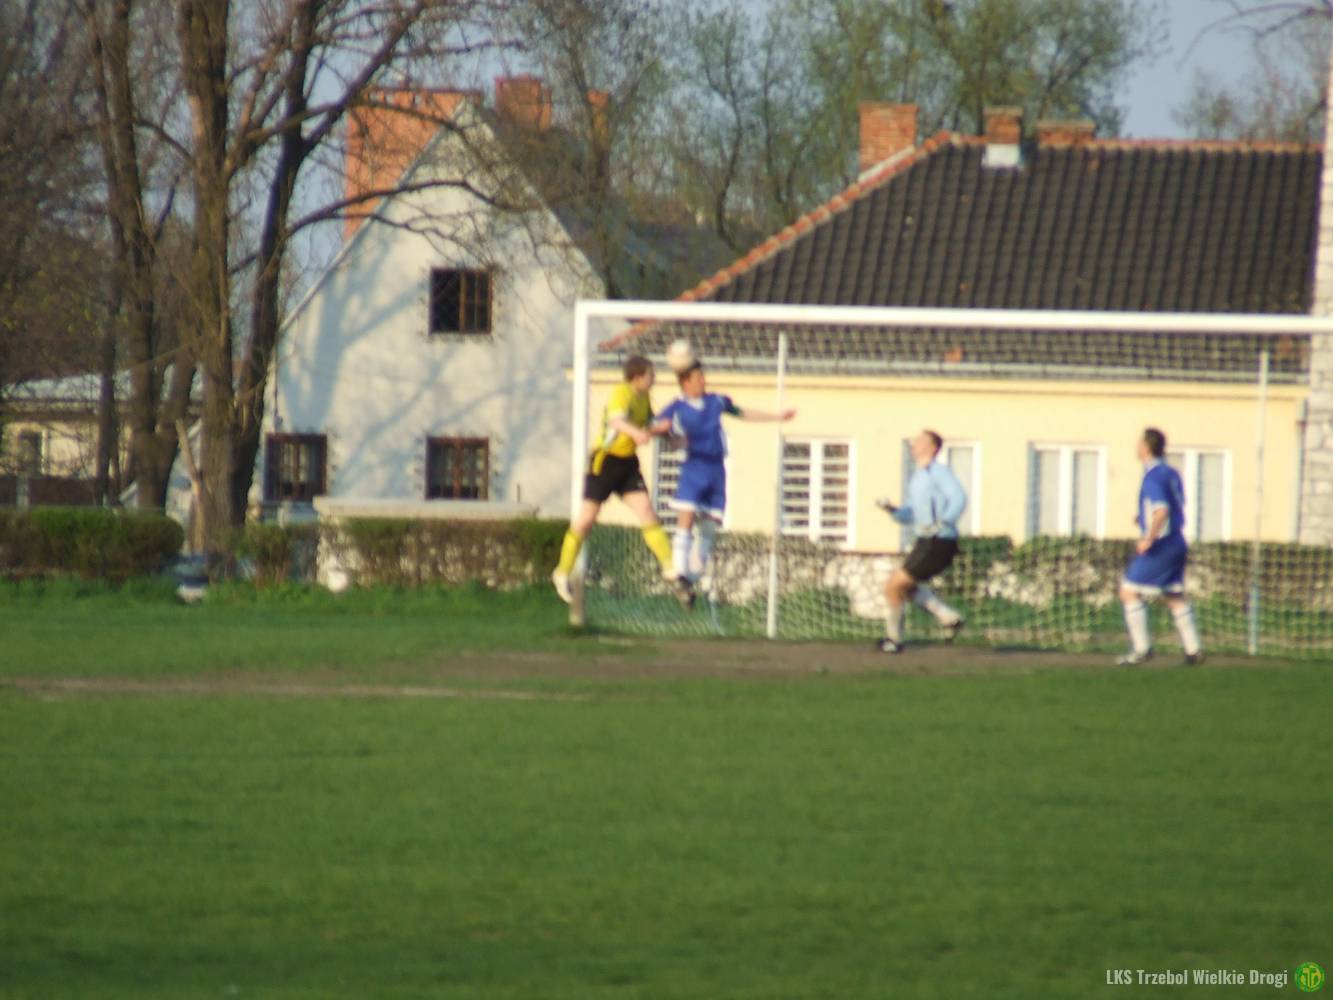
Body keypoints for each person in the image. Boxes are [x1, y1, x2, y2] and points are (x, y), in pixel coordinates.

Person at [653, 360, 795, 603]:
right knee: (686, 518)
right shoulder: (676, 407)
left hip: (717, 470)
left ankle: (690, 580)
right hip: (694, 467)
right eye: (698, 378)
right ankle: (679, 574)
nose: (704, 381)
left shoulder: (716, 401)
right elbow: (657, 427)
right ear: (685, 382)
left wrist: (777, 417)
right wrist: (671, 437)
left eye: (703, 376)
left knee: (709, 527)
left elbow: (743, 413)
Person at [552, 355, 688, 605]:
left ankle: (670, 569)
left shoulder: (644, 398)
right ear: (638, 377)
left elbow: (649, 425)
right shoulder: (622, 392)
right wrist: (636, 432)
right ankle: (561, 573)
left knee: (646, 510)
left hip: (627, 463)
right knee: (587, 519)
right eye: (651, 374)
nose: (654, 378)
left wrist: (672, 437)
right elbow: (616, 420)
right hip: (605, 461)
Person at [1117, 427, 1204, 666]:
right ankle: (1194, 650)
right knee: (1173, 595)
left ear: (1146, 447)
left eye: (1139, 443)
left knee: (1128, 591)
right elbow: (1174, 506)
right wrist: (1143, 518)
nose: (1136, 447)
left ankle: (1141, 649)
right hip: (1178, 542)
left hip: (1162, 545)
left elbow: (1162, 510)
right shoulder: (1171, 473)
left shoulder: (1153, 475)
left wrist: (1149, 538)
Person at [875, 430, 967, 654]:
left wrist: (945, 521)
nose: (914, 443)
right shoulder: (918, 477)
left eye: (920, 440)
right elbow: (911, 514)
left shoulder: (938, 472)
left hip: (939, 540)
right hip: (925, 540)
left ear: (932, 447)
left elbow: (959, 497)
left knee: (893, 586)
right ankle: (949, 618)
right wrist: (892, 510)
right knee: (904, 587)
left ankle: (894, 640)